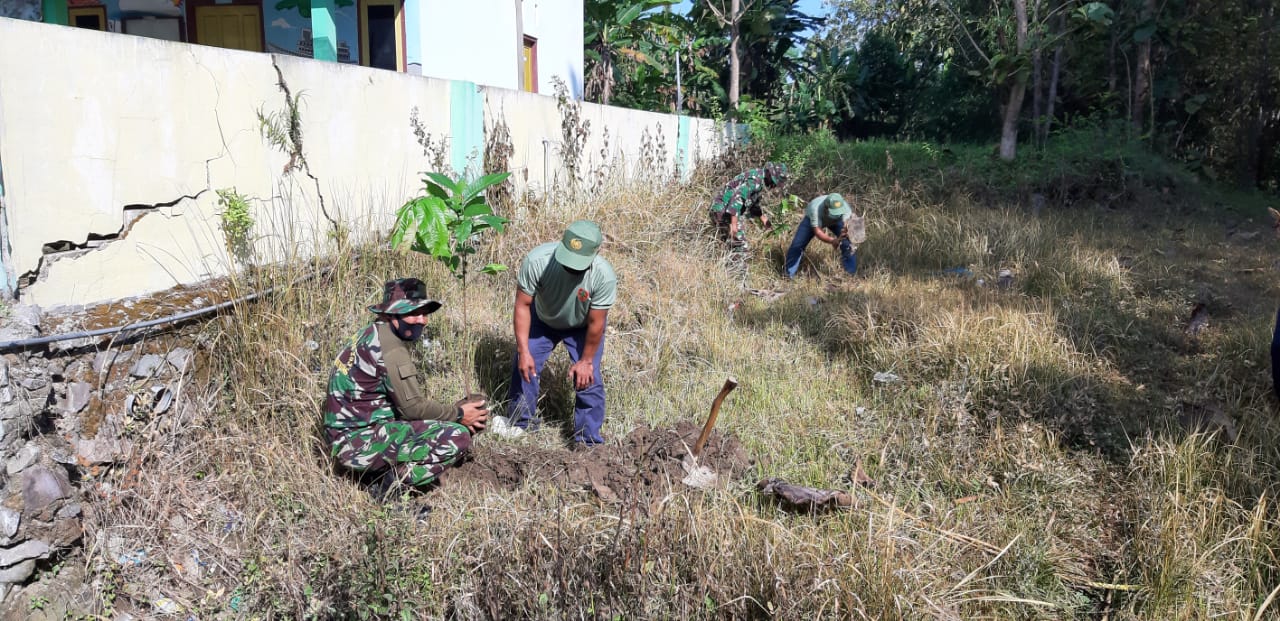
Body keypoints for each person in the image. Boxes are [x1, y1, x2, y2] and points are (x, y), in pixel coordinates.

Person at [323, 278, 489, 500]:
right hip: (354, 444)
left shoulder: (374, 333)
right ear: (391, 315)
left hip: (348, 436)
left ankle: (378, 474)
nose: (422, 320)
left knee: (439, 422)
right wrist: (459, 415)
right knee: (457, 436)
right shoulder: (391, 349)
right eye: (413, 313)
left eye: (424, 313)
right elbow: (412, 409)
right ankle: (389, 491)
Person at [492, 220, 618, 446]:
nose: (571, 267)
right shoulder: (537, 261)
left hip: (583, 326)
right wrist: (523, 351)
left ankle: (587, 443)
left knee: (589, 378)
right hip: (543, 318)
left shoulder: (603, 276)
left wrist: (586, 361)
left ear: (595, 254)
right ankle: (523, 424)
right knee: (524, 365)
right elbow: (522, 306)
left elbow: (596, 323)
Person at [708, 162, 789, 250]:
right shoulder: (755, 180)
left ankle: (727, 260)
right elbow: (737, 199)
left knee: (729, 244)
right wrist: (734, 224)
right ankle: (737, 261)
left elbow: (751, 203)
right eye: (774, 182)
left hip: (726, 209)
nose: (773, 186)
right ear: (770, 174)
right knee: (739, 246)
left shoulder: (759, 179)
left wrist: (764, 220)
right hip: (722, 209)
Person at [783, 193, 859, 279]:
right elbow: (818, 232)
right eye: (834, 212)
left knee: (848, 244)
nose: (836, 214)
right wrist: (832, 240)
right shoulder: (815, 209)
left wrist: (846, 232)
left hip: (836, 221)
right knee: (797, 245)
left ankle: (849, 274)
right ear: (826, 208)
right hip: (812, 219)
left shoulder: (844, 207)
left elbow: (846, 224)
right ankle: (788, 276)